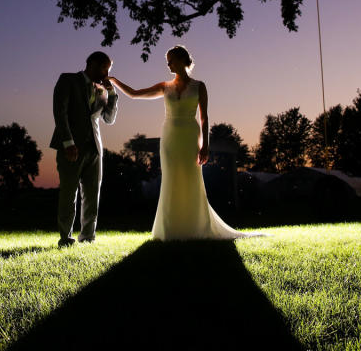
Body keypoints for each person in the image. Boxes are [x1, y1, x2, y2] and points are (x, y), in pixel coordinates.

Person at [109, 45, 264, 241]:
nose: (168, 64)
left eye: (171, 59)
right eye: (167, 60)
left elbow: (205, 117)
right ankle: (170, 229)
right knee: (171, 179)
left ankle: (195, 226)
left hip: (191, 135)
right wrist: (115, 81)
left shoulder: (199, 86)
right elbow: (134, 94)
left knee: (191, 178)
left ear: (182, 59)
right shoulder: (165, 86)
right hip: (170, 136)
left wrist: (205, 145)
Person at [50, 51, 118, 247]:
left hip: (95, 149)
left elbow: (109, 119)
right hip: (70, 147)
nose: (107, 73)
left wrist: (112, 93)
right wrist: (68, 142)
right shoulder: (68, 80)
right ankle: (66, 237)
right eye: (105, 68)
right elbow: (59, 112)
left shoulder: (102, 89)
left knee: (92, 195)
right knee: (68, 193)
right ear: (92, 64)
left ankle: (88, 237)